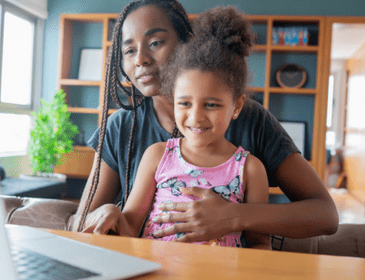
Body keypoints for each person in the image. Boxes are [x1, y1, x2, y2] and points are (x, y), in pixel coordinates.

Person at [72, 0, 338, 242]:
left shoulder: (252, 120)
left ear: (188, 42)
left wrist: (234, 216)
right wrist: (107, 213)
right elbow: (80, 224)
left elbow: (325, 214)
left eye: (155, 43)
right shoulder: (121, 127)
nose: (140, 58)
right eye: (128, 50)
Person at [86, 6, 271, 249]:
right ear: (174, 97)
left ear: (236, 106)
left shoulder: (251, 170)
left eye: (211, 104)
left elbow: (260, 244)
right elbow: (129, 227)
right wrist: (110, 212)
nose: (196, 116)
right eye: (184, 103)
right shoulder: (156, 155)